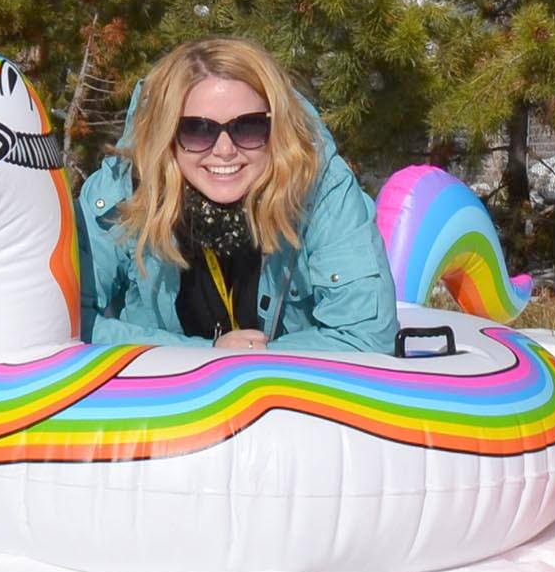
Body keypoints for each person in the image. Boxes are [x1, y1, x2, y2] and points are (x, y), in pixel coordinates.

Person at [76, 38, 397, 355]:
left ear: (278, 128)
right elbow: (69, 323)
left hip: (289, 394)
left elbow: (367, 338)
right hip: (160, 396)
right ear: (166, 135)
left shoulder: (319, 182)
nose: (225, 150)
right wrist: (207, 352)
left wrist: (254, 357)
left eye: (249, 127)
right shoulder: (123, 185)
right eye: (198, 129)